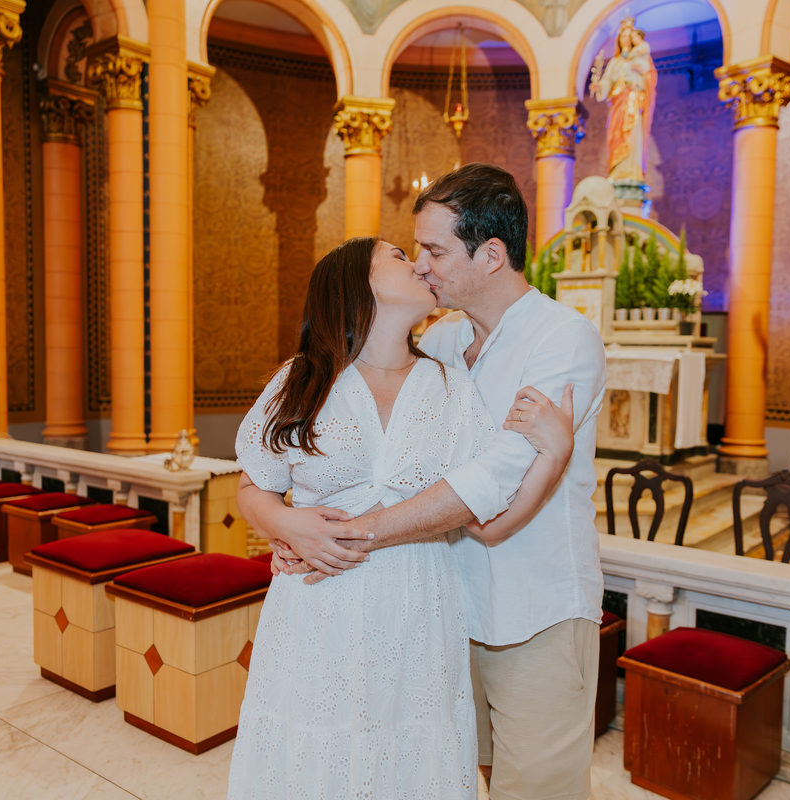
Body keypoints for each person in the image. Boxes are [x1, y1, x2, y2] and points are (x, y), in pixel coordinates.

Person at [243, 163, 608, 800]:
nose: (422, 265)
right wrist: (285, 523)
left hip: (532, 606)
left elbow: (489, 481)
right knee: (441, 768)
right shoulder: (440, 341)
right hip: (438, 608)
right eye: (414, 251)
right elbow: (293, 468)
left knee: (536, 788)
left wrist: (344, 536)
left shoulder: (562, 338)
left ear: (490, 254)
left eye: (435, 250)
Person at [591, 17, 657, 183]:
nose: (625, 39)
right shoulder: (615, 62)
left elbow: (649, 78)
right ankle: (618, 170)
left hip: (633, 101)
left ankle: (631, 171)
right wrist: (599, 87)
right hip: (618, 103)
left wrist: (641, 78)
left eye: (628, 36)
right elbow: (607, 81)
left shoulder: (640, 59)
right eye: (622, 36)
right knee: (616, 133)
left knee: (632, 133)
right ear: (619, 39)